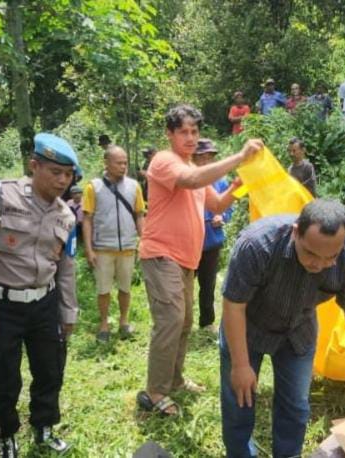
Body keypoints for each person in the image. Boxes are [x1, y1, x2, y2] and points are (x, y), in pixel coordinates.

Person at [220, 199, 345, 458]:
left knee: (295, 407)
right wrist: (241, 365)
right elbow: (234, 306)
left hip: (298, 332)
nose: (318, 264)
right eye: (310, 253)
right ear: (296, 231)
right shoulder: (257, 245)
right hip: (247, 329)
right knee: (239, 404)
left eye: (330, 257)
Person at [136, 104, 262, 417]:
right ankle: (154, 392)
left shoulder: (193, 167)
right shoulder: (166, 161)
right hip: (161, 253)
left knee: (185, 322)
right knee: (171, 321)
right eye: (184, 132)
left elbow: (217, 205)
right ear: (170, 134)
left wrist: (239, 184)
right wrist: (238, 158)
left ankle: (174, 380)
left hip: (185, 260)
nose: (191, 137)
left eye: (195, 131)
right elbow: (190, 181)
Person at [0, 133, 80, 456]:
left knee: (50, 369)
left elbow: (66, 268)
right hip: (2, 304)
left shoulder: (66, 216)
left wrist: (67, 312)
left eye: (68, 174)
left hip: (44, 303)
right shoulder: (1, 195)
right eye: (55, 172)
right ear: (34, 166)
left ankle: (44, 428)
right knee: (3, 374)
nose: (62, 180)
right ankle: (6, 434)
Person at [82, 144, 145, 342]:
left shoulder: (134, 186)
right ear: (106, 163)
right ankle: (103, 324)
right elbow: (87, 219)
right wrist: (89, 249)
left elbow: (140, 215)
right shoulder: (94, 187)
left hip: (127, 247)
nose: (123, 166)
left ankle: (124, 322)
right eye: (118, 163)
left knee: (125, 288)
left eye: (125, 162)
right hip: (103, 248)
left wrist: (143, 240)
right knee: (103, 289)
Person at [192, 138, 233, 333]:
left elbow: (229, 207)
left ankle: (207, 322)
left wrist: (221, 215)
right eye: (201, 157)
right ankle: (182, 322)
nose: (205, 161)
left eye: (209, 157)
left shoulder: (221, 181)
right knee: (183, 285)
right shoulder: (188, 179)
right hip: (188, 241)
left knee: (208, 284)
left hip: (211, 240)